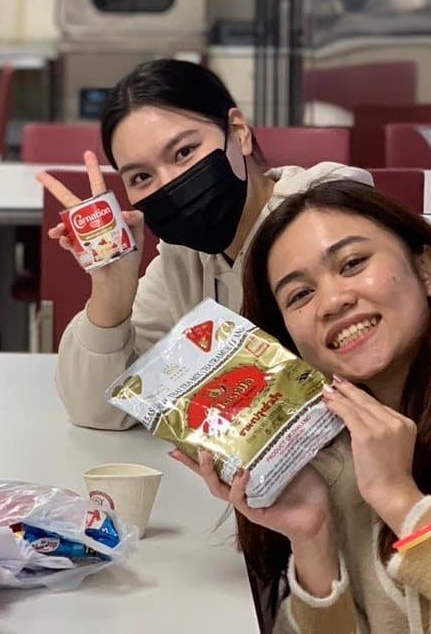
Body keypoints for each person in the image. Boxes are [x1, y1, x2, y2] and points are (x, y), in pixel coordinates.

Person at [42, 59, 370, 429]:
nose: (170, 183)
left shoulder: (326, 216)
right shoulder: (184, 258)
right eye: (142, 177)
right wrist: (111, 291)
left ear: (239, 132)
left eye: (184, 152)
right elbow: (99, 408)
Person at [175, 180, 431, 633]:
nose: (332, 302)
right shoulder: (329, 459)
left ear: (425, 267)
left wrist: (400, 500)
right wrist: (313, 539)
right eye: (300, 295)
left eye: (352, 264)